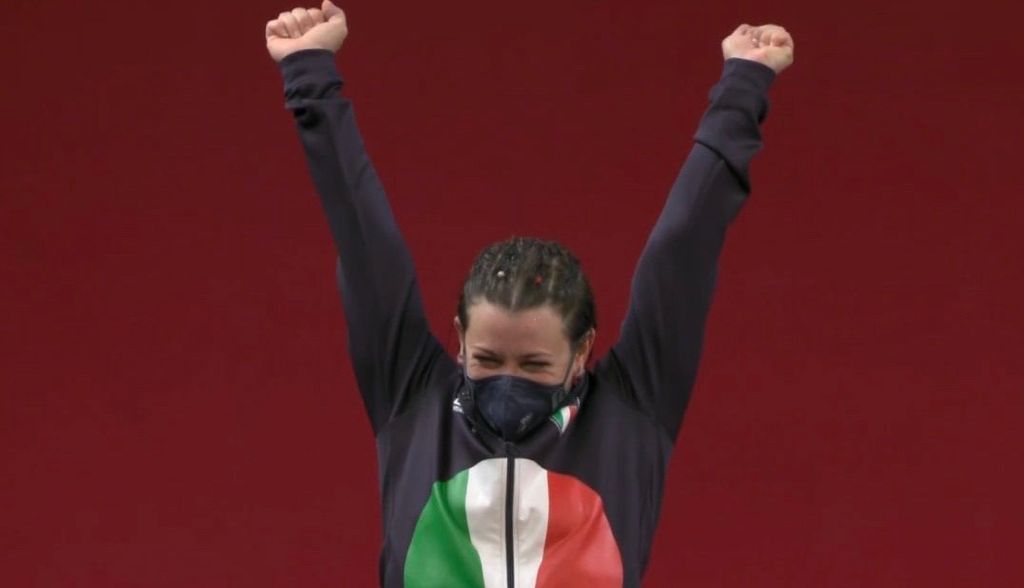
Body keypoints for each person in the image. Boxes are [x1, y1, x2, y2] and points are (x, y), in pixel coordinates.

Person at [265, 3, 793, 586]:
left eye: (535, 364)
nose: (507, 380)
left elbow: (685, 244)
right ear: (460, 338)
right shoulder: (411, 396)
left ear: (583, 349)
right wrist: (309, 73)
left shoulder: (634, 407)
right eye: (487, 358)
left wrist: (743, 84)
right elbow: (363, 237)